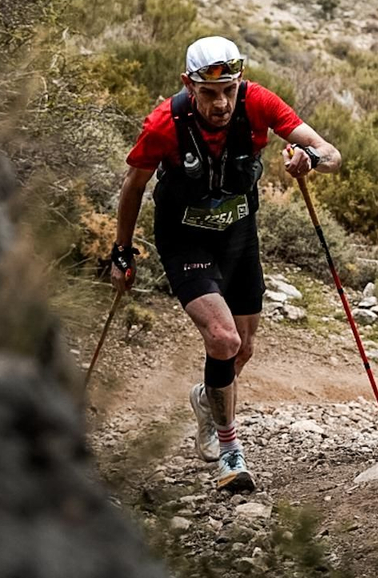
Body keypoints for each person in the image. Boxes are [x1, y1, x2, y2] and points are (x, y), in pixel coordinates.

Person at [108, 36, 342, 492]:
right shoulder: (164, 124)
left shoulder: (258, 103)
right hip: (184, 239)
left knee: (243, 349)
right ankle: (230, 450)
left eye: (229, 90)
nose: (221, 103)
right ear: (189, 85)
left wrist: (309, 158)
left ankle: (207, 399)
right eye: (210, 93)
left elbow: (332, 154)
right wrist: (121, 250)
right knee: (223, 337)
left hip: (238, 234)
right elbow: (134, 186)